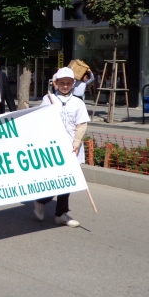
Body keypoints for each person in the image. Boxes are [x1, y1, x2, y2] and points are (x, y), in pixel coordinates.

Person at [33, 67, 89, 227]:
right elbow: (40, 120)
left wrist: (77, 142)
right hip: (53, 148)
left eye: (68, 83)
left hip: (72, 148)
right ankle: (41, 201)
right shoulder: (48, 99)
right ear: (56, 83)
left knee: (68, 181)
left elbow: (82, 124)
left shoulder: (78, 103)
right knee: (53, 179)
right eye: (62, 83)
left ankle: (61, 214)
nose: (65, 86)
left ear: (73, 83)